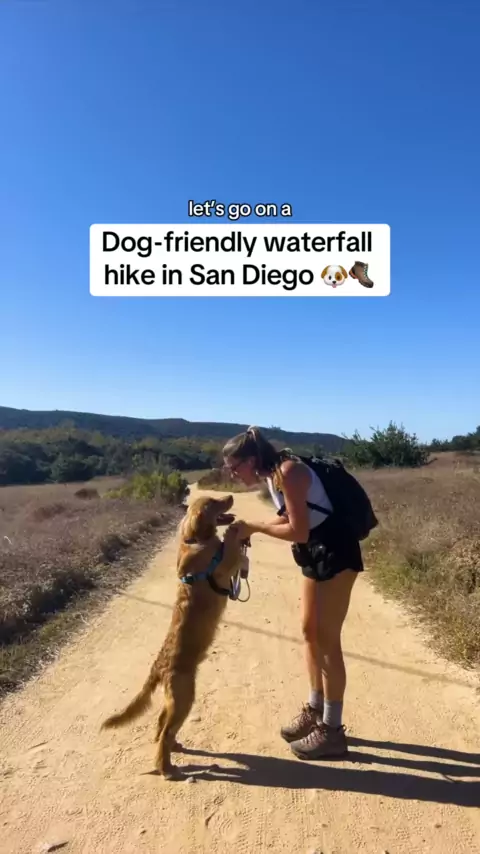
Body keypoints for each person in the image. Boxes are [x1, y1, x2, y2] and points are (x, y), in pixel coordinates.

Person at [222, 426, 364, 760]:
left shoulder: (289, 472)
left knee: (327, 640)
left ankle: (332, 731)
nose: (232, 474)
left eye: (234, 467)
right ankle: (316, 710)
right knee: (309, 632)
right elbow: (291, 519)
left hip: (336, 553)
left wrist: (255, 527)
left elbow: (298, 531)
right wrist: (251, 529)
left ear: (251, 460)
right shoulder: (275, 476)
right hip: (316, 554)